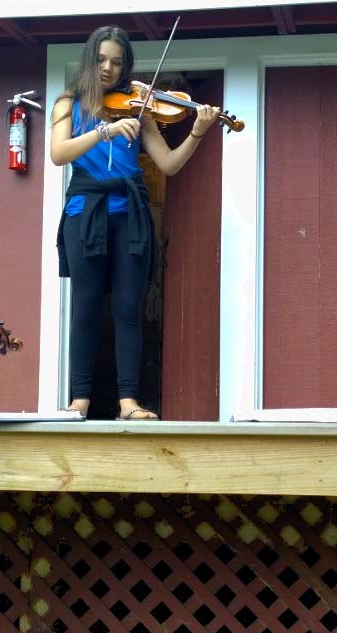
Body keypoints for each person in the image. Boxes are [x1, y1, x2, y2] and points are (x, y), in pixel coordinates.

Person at [50, 25, 218, 420]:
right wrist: (103, 131)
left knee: (128, 306)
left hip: (129, 213)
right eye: (102, 59)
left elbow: (168, 165)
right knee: (86, 305)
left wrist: (196, 131)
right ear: (90, 59)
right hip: (84, 213)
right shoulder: (67, 103)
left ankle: (129, 402)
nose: (109, 68)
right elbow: (59, 154)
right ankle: (79, 401)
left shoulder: (138, 107)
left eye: (118, 61)